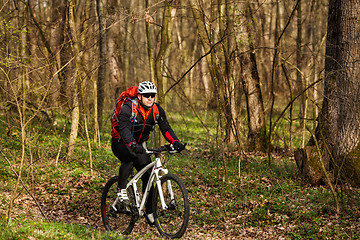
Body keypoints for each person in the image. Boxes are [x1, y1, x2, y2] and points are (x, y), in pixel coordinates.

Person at [111, 81, 186, 224]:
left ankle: (150, 212)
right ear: (139, 96)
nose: (150, 98)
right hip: (120, 142)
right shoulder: (129, 107)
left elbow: (165, 128)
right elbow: (124, 128)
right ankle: (121, 189)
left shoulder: (156, 110)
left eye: (152, 95)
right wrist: (132, 144)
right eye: (146, 95)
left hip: (138, 145)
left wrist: (175, 142)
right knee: (129, 157)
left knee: (149, 177)